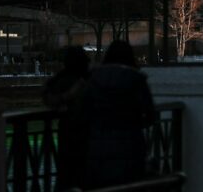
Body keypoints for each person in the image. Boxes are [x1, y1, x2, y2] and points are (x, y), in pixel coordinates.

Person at [81, 40, 156, 189]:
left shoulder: (94, 78)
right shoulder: (136, 78)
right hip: (130, 145)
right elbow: (149, 114)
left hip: (99, 144)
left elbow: (84, 110)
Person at [43, 46, 90, 191]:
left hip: (66, 133)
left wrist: (64, 98)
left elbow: (47, 95)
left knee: (65, 175)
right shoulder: (87, 80)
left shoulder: (60, 80)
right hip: (87, 136)